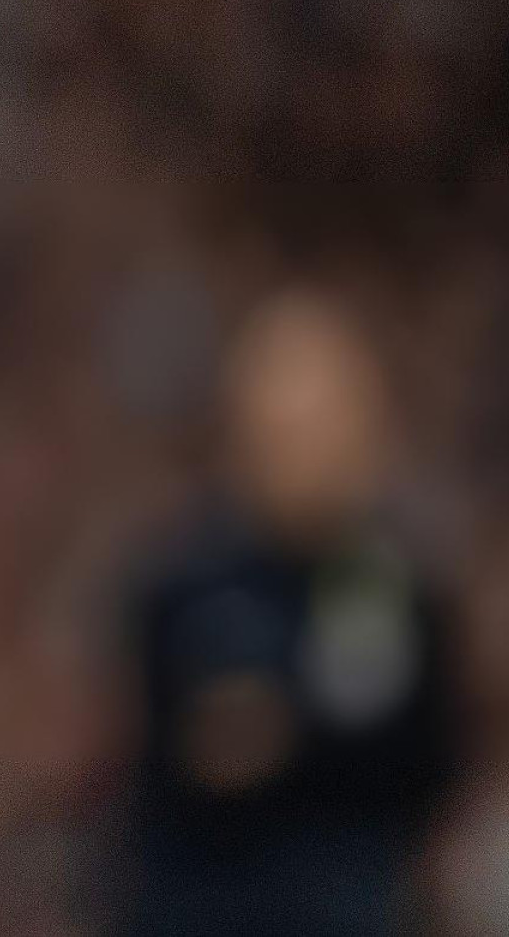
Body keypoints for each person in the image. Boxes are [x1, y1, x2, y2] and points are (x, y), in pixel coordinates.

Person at [117, 291, 460, 937]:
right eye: (278, 429)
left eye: (321, 425)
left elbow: (431, 760)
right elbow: (162, 758)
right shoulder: (181, 583)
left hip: (349, 895)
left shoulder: (398, 587)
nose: (301, 453)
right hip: (203, 898)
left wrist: (289, 734)